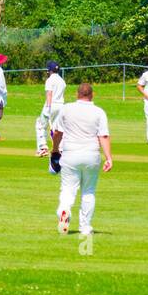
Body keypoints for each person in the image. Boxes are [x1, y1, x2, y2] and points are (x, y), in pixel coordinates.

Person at [50, 82, 113, 236]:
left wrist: (55, 150)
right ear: (92, 95)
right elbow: (103, 136)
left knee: (68, 189)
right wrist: (109, 158)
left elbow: (57, 132)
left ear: (77, 94)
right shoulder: (99, 112)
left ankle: (64, 211)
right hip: (91, 154)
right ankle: (85, 227)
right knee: (88, 191)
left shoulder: (66, 109)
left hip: (70, 153)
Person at [35, 61, 66, 156]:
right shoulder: (62, 81)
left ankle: (42, 148)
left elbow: (49, 94)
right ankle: (60, 149)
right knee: (57, 128)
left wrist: (48, 107)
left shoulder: (49, 80)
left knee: (40, 125)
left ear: (49, 70)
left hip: (51, 105)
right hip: (61, 106)